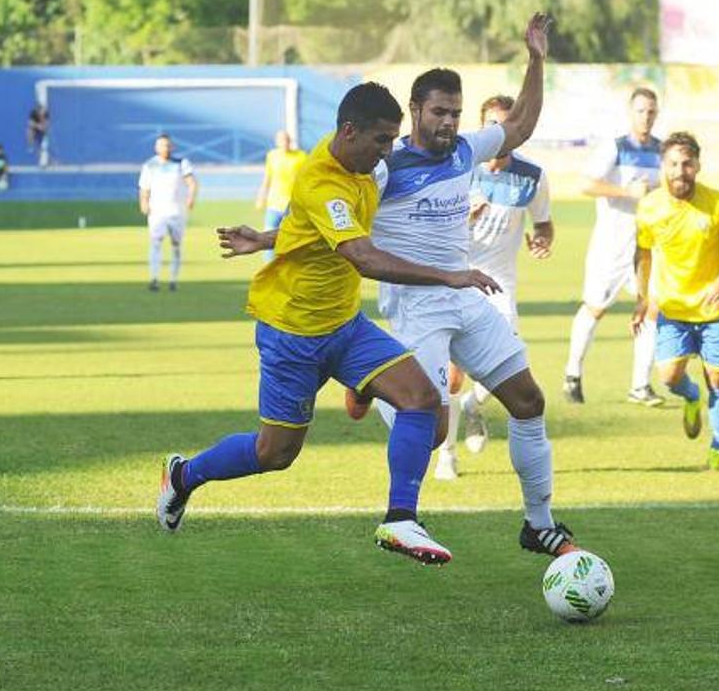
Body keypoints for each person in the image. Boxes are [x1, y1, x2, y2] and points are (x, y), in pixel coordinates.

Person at [156, 82, 502, 565]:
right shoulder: (321, 179)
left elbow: (313, 229)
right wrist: (452, 275)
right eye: (381, 141)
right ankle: (184, 474)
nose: (387, 153)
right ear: (349, 131)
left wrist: (265, 238)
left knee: (422, 400)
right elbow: (362, 256)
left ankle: (401, 519)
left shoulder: (359, 164)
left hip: (344, 326)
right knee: (275, 453)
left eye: (392, 141)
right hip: (292, 333)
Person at [353, 22, 582, 559]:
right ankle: (374, 382)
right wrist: (267, 238)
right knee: (431, 427)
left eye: (456, 113)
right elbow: (332, 228)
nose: (450, 123)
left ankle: (538, 523)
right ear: (415, 110)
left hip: (465, 297)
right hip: (416, 306)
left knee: (529, 401)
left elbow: (520, 126)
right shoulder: (385, 168)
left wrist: (536, 60)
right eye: (439, 113)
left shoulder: (463, 152)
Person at [631, 131, 719, 470]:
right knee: (669, 377)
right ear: (662, 167)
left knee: (718, 379)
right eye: (672, 164)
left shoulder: (718, 204)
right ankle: (691, 396)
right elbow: (643, 253)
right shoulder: (650, 207)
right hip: (673, 308)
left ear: (698, 166)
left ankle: (718, 448)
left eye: (686, 164)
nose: (679, 171)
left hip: (717, 309)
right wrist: (642, 299)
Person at [447, 95, 554, 471]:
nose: (501, 132)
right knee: (453, 375)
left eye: (507, 125)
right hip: (455, 281)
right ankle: (447, 455)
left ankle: (474, 406)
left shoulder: (533, 176)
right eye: (492, 125)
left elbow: (543, 222)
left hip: (499, 288)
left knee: (507, 369)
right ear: (481, 129)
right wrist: (463, 220)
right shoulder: (458, 170)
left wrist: (543, 239)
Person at [563, 87, 665, 408]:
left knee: (652, 308)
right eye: (640, 111)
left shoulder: (663, 151)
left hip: (647, 246)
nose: (645, 117)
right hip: (612, 245)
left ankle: (640, 386)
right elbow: (585, 183)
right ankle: (572, 374)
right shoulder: (616, 147)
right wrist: (624, 191)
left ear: (657, 113)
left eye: (650, 111)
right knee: (595, 308)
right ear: (630, 113)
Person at [138, 134, 198, 292]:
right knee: (156, 243)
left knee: (176, 245)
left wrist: (191, 197)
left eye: (167, 145)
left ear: (172, 147)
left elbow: (192, 183)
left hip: (177, 212)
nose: (165, 148)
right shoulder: (150, 165)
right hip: (157, 212)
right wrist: (144, 202)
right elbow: (144, 187)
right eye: (161, 145)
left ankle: (173, 279)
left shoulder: (181, 163)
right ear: (156, 147)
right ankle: (154, 278)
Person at [254, 130, 307, 231]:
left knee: (293, 236)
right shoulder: (272, 156)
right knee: (268, 234)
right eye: (281, 140)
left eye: (286, 140)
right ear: (277, 142)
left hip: (293, 205)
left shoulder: (301, 156)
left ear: (290, 141)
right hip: (274, 203)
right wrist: (261, 197)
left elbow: (306, 179)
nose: (284, 143)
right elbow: (267, 179)